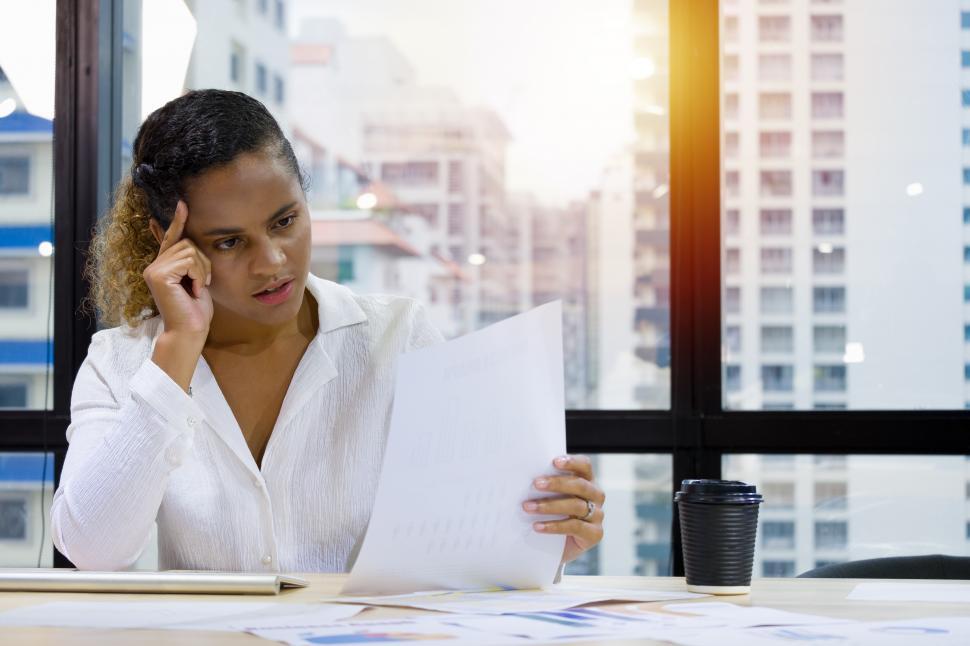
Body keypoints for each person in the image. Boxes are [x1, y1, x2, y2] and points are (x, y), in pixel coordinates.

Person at [51, 89, 605, 573]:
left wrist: (546, 532)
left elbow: (471, 531)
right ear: (170, 241)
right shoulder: (121, 363)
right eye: (229, 241)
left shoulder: (397, 337)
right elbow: (94, 551)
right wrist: (175, 352)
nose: (273, 261)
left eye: (284, 221)